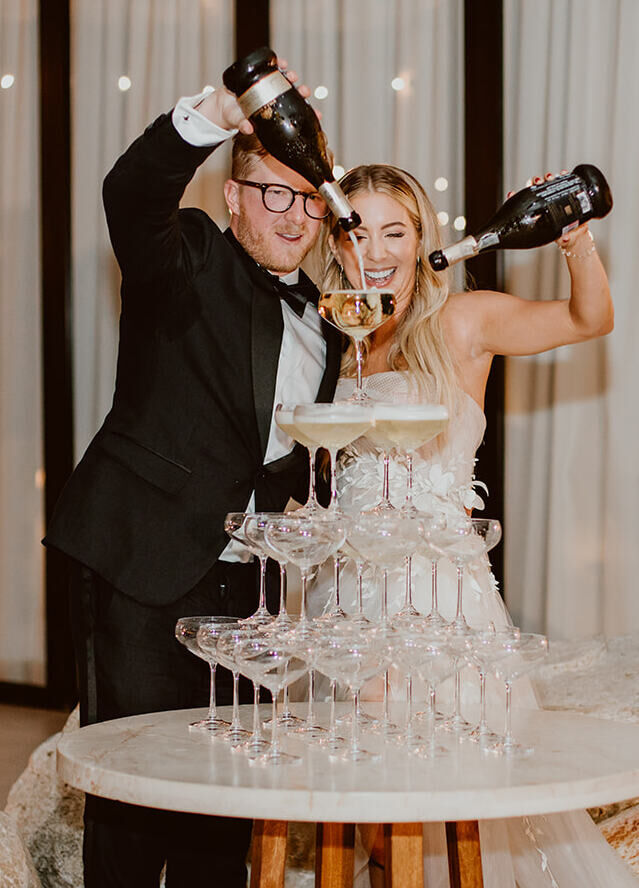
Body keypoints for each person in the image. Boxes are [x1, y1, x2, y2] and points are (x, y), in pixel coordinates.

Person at [43, 63, 342, 888]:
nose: (294, 214)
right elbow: (130, 194)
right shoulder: (190, 255)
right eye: (273, 193)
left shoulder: (327, 319)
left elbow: (279, 453)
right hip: (146, 560)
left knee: (226, 792)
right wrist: (211, 112)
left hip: (247, 587)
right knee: (134, 786)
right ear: (234, 196)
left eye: (308, 197)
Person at [311, 164, 636, 887]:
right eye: (356, 230)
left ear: (420, 238)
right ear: (336, 244)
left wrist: (574, 238)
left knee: (452, 784)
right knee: (364, 795)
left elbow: (591, 320)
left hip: (436, 589)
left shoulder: (462, 319)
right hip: (346, 588)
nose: (376, 248)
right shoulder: (339, 335)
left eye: (394, 230)